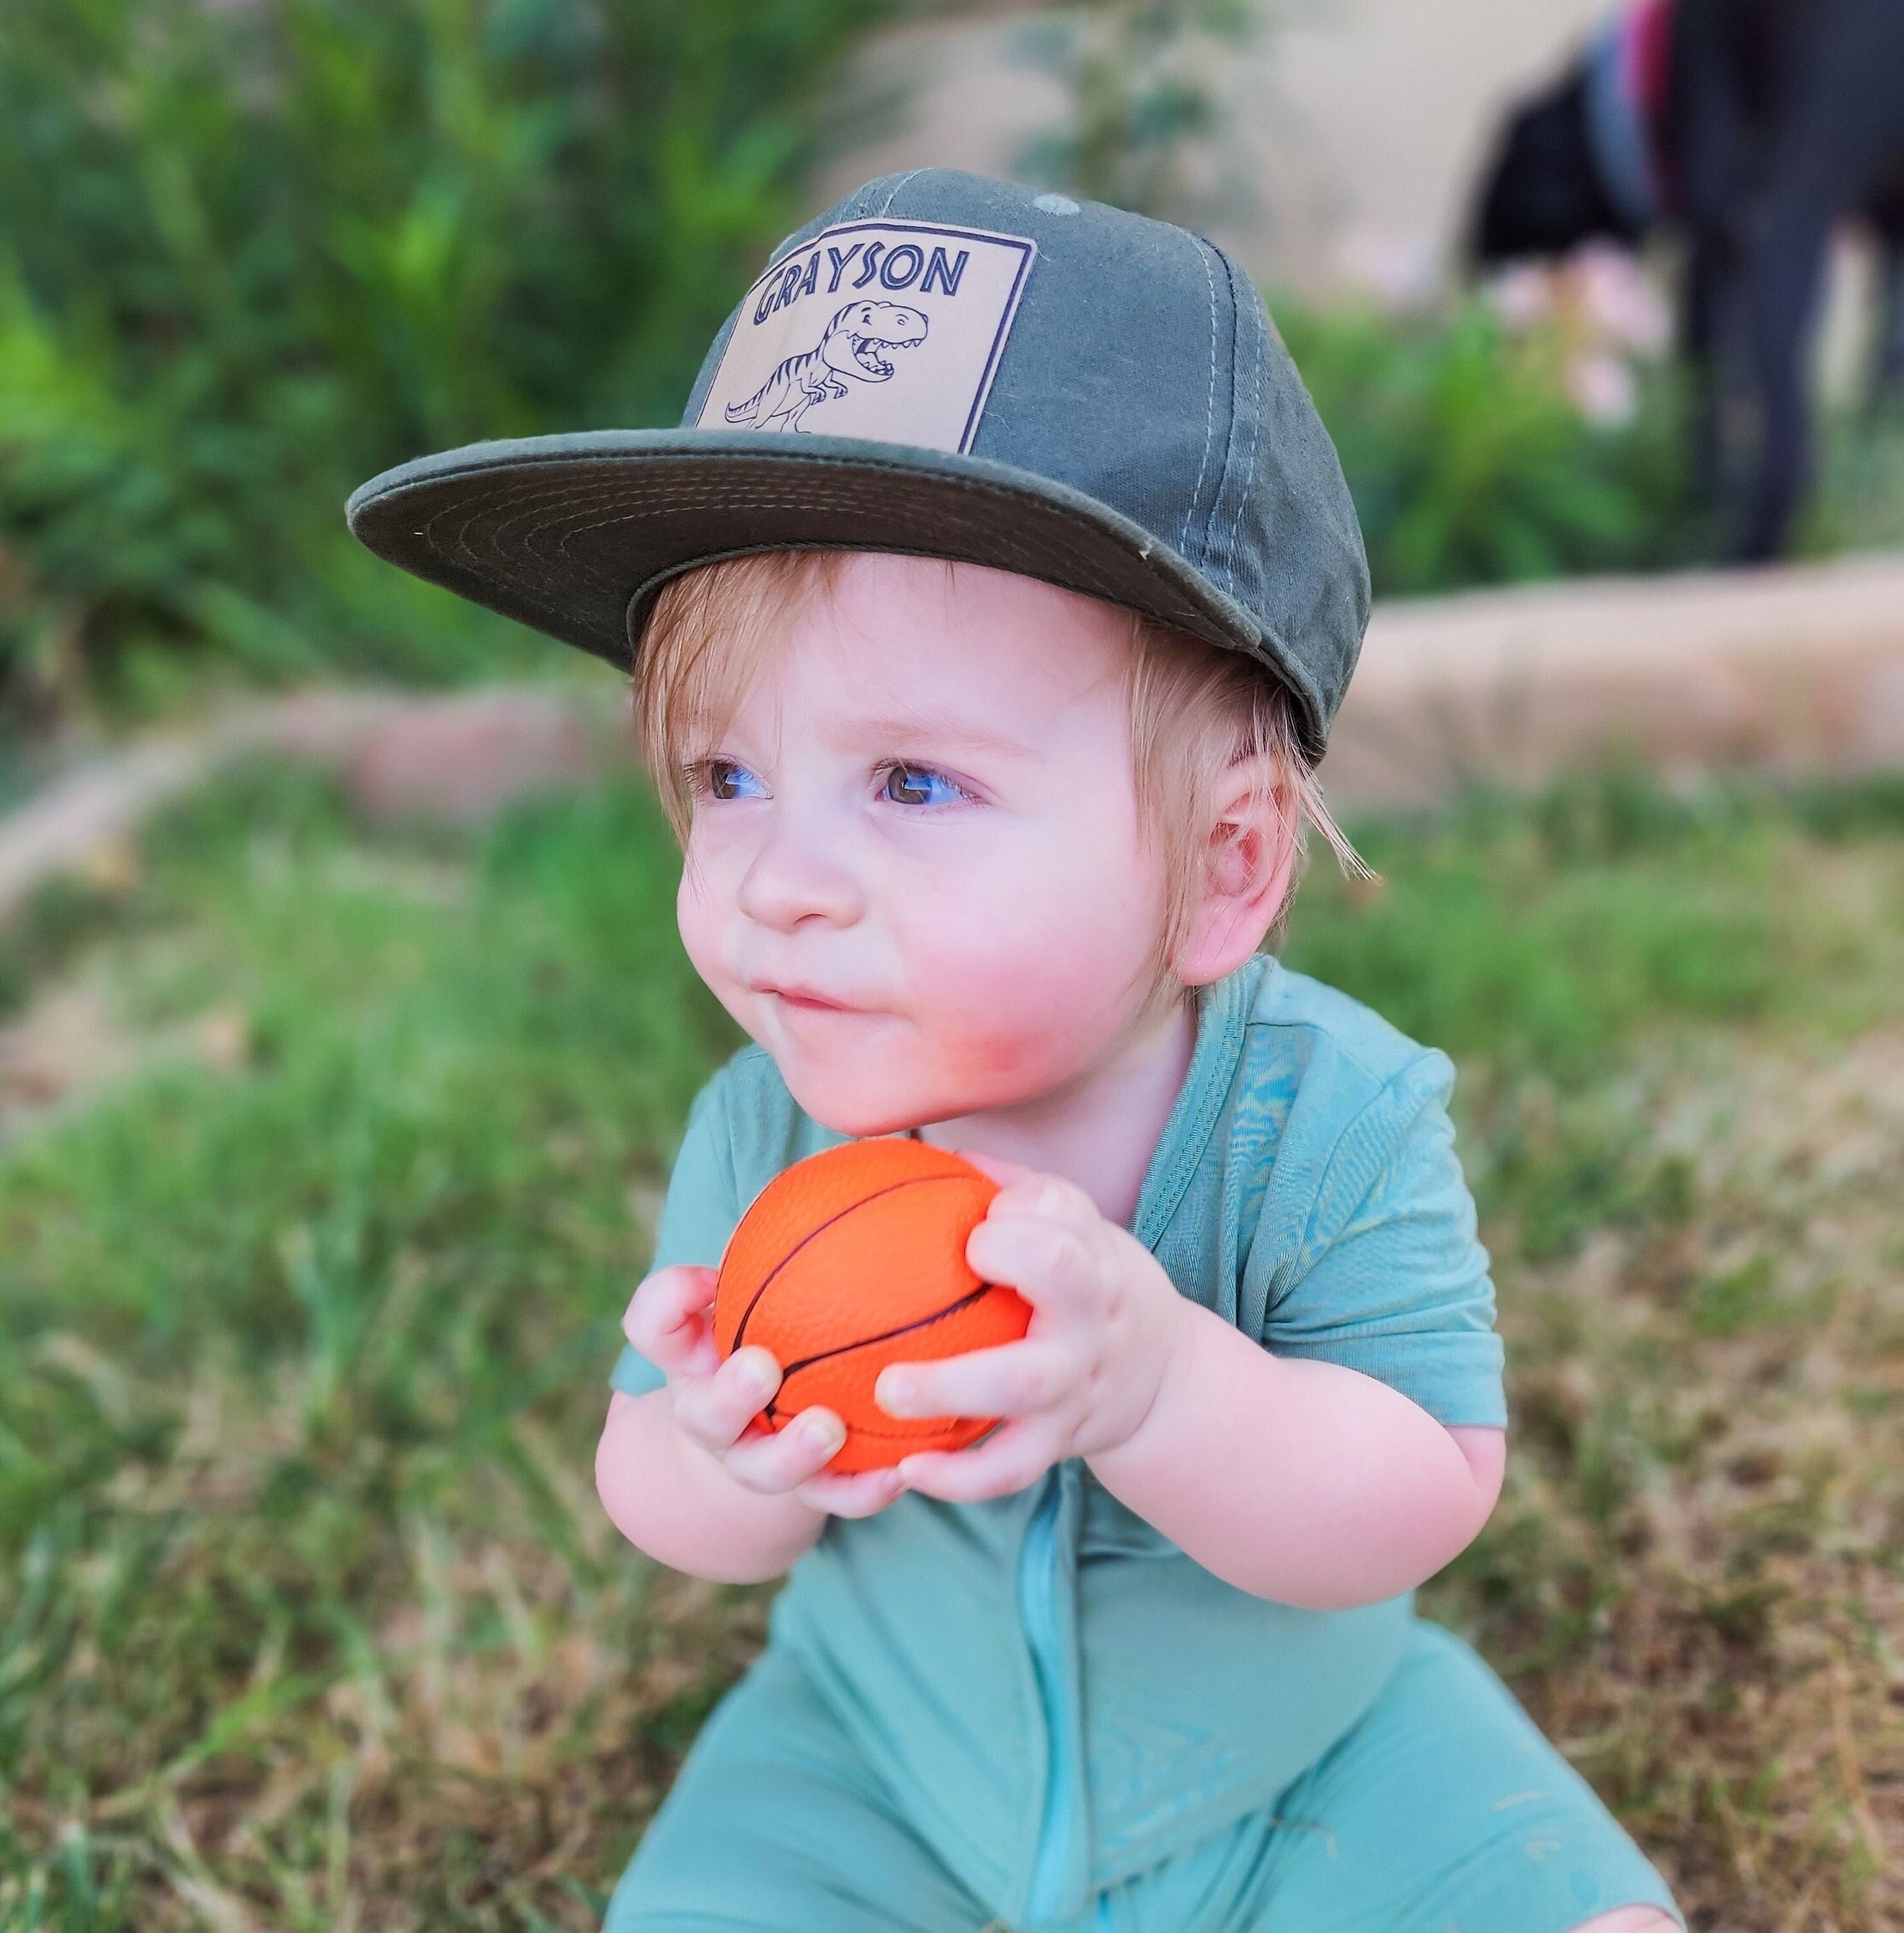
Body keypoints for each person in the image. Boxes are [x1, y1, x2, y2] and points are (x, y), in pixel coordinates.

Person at [347, 170, 1681, 1933]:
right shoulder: (763, 1131)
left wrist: (1164, 1388)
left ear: (1225, 866)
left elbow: (1424, 1486)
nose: (779, 879)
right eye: (725, 775)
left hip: (1306, 1765)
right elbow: (649, 1479)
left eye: (911, 781)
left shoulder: (1334, 1120)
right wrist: (718, 1465)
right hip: (876, 1765)